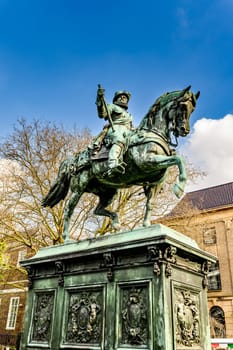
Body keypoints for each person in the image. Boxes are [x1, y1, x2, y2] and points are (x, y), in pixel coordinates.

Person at [95, 85, 134, 175]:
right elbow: (102, 114)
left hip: (127, 132)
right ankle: (112, 165)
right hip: (114, 130)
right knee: (119, 139)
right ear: (116, 99)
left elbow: (132, 127)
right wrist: (100, 99)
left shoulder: (129, 115)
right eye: (121, 96)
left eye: (125, 97)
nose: (123, 98)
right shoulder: (112, 106)